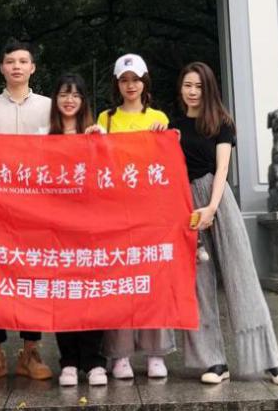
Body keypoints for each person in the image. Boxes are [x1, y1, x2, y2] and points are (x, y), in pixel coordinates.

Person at [171, 61, 278, 386]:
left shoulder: (221, 123)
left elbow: (222, 168)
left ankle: (270, 360)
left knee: (241, 277)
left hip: (218, 198)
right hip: (185, 204)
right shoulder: (174, 126)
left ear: (208, 89)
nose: (192, 92)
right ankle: (213, 361)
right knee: (198, 283)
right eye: (188, 85)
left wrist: (212, 207)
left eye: (198, 86)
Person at [0, 39, 54, 383]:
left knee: (33, 274)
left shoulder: (49, 106)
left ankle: (30, 350)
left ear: (33, 67)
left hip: (38, 207)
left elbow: (63, 152)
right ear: (2, 68)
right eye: (10, 61)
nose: (17, 66)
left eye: (23, 61)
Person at [94, 53, 175, 381]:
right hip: (116, 212)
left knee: (152, 280)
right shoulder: (105, 119)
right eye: (124, 80)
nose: (131, 86)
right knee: (120, 282)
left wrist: (165, 137)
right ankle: (121, 354)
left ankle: (156, 352)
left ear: (145, 82)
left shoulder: (158, 118)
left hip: (150, 211)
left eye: (136, 79)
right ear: (117, 84)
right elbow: (98, 162)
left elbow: (166, 163)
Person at [45, 73, 109, 387]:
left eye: (75, 95)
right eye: (63, 94)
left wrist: (102, 143)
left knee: (93, 293)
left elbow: (112, 174)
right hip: (56, 228)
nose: (69, 100)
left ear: (83, 101)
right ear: (55, 100)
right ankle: (68, 360)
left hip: (91, 227)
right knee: (63, 294)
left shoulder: (96, 134)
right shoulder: (43, 137)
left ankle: (94, 361)